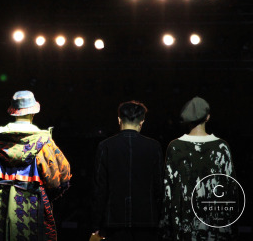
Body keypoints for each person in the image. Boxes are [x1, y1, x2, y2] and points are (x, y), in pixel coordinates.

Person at [0, 90, 72, 241]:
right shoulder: (43, 140)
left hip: (1, 203)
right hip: (33, 204)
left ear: (13, 112)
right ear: (33, 113)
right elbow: (59, 178)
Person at [160, 97, 236, 240]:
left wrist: (166, 228)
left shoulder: (175, 147)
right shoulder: (221, 147)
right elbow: (231, 190)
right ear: (208, 117)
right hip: (214, 226)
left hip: (183, 226)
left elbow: (168, 191)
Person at [91, 101, 163, 241]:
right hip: (146, 221)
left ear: (119, 120)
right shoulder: (154, 147)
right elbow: (159, 188)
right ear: (141, 122)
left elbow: (99, 189)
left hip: (114, 221)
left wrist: (95, 224)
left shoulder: (105, 146)